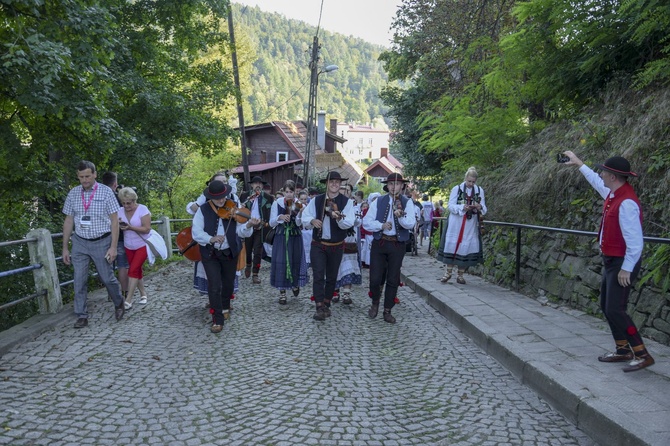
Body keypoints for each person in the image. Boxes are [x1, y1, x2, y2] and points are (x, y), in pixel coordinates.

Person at [562, 152, 654, 372]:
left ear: (612, 176)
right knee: (606, 306)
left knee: (616, 309)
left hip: (622, 262)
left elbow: (635, 242)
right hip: (612, 260)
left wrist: (626, 269)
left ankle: (642, 353)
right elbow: (596, 182)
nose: (601, 173)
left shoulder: (627, 203)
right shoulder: (614, 194)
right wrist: (580, 164)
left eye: (604, 171)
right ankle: (622, 349)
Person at [62, 160, 125, 328]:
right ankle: (81, 315)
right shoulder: (73, 194)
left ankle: (119, 302)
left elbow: (114, 221)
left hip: (102, 241)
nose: (84, 180)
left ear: (95, 174)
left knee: (107, 278)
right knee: (79, 279)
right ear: (78, 176)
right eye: (81, 177)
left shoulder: (106, 192)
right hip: (80, 242)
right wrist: (65, 247)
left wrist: (113, 247)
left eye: (88, 176)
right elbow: (68, 221)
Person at [191, 180, 259, 333]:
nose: (221, 200)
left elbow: (241, 231)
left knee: (228, 284)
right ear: (210, 198)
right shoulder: (203, 210)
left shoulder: (235, 206)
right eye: (218, 198)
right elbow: (196, 232)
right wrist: (210, 238)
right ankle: (217, 319)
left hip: (230, 252)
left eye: (223, 196)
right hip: (210, 253)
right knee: (214, 286)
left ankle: (225, 305)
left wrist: (248, 225)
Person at [301, 171, 356, 320]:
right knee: (318, 275)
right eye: (331, 181)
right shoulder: (317, 200)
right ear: (327, 183)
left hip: (336, 245)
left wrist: (338, 218)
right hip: (318, 244)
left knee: (332, 277)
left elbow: (349, 222)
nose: (334, 184)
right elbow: (304, 216)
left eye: (337, 182)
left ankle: (326, 304)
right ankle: (319, 306)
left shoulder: (346, 202)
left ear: (340, 184)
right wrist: (312, 220)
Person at [363, 173, 417, 323]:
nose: (394, 187)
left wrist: (400, 217)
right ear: (387, 186)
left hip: (397, 244)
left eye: (397, 184)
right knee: (375, 278)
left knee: (393, 278)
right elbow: (366, 222)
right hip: (380, 243)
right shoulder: (379, 201)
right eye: (391, 184)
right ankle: (375, 303)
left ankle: (387, 310)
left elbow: (410, 223)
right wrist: (380, 225)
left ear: (402, 186)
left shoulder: (407, 203)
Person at [186, 172, 240, 297]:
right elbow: (191, 209)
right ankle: (214, 300)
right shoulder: (205, 199)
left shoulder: (233, 198)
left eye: (225, 181)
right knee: (212, 277)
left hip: (228, 246)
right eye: (219, 182)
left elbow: (240, 221)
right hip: (209, 246)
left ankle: (227, 298)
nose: (223, 184)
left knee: (228, 277)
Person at [437, 167, 486, 284]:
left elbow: (484, 207)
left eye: (473, 182)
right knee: (453, 246)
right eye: (469, 181)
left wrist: (480, 207)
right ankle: (447, 273)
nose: (471, 184)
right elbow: (450, 205)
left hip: (470, 224)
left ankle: (460, 275)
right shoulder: (457, 189)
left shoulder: (479, 190)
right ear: (465, 179)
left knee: (465, 247)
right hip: (456, 223)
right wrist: (462, 207)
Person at [269, 180, 309, 304]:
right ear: (283, 191)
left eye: (291, 192)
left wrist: (300, 214)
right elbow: (271, 222)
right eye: (286, 192)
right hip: (281, 236)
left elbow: (299, 224)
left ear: (294, 192)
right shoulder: (277, 203)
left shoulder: (297, 204)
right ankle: (282, 293)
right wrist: (280, 217)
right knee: (281, 262)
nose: (289, 194)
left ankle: (295, 283)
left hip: (294, 236)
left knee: (294, 261)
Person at [116, 187, 152, 309]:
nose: (126, 206)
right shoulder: (119, 211)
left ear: (134, 200)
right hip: (128, 246)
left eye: (129, 203)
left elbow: (147, 229)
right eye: (123, 203)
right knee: (137, 271)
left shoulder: (142, 209)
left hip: (142, 244)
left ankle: (128, 300)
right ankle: (143, 294)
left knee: (132, 270)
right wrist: (119, 225)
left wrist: (130, 227)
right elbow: (114, 225)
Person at [239, 176, 274, 284]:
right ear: (252, 185)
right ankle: (248, 264)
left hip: (261, 227)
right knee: (248, 251)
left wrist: (266, 224)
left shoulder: (268, 197)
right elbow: (240, 210)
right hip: (248, 226)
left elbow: (270, 213)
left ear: (262, 185)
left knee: (258, 252)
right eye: (255, 183)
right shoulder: (245, 196)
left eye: (259, 183)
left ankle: (255, 273)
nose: (257, 185)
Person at [334, 183, 362, 305]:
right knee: (335, 266)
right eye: (343, 189)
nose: (345, 192)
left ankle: (346, 293)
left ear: (351, 192)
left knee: (349, 266)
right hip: (336, 239)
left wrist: (353, 220)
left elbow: (359, 222)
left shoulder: (354, 207)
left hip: (349, 239)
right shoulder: (333, 204)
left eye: (348, 190)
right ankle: (335, 292)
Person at [297, 190, 312, 269]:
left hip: (308, 232)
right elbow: (297, 221)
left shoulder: (309, 207)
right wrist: (300, 212)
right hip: (300, 232)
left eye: (305, 199)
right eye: (301, 199)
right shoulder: (295, 207)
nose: (303, 201)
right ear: (298, 199)